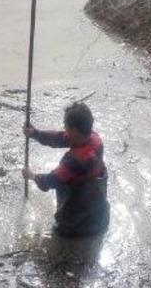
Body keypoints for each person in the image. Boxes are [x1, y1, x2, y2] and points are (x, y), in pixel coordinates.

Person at [22, 102, 109, 238]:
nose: (64, 128)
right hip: (99, 215)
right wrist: (35, 133)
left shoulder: (76, 162)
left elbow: (48, 182)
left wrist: (31, 175)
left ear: (74, 130)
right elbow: (59, 138)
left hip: (78, 227)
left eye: (66, 126)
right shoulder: (93, 138)